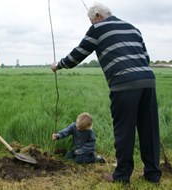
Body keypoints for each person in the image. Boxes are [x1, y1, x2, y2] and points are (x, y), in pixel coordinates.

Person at [51, 2, 161, 184]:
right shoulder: (133, 28)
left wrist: (59, 65)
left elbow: (78, 54)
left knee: (124, 131)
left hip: (123, 85)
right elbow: (146, 58)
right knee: (149, 130)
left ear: (99, 17)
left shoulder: (97, 29)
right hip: (148, 81)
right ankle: (153, 175)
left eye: (91, 21)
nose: (91, 24)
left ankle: (121, 176)